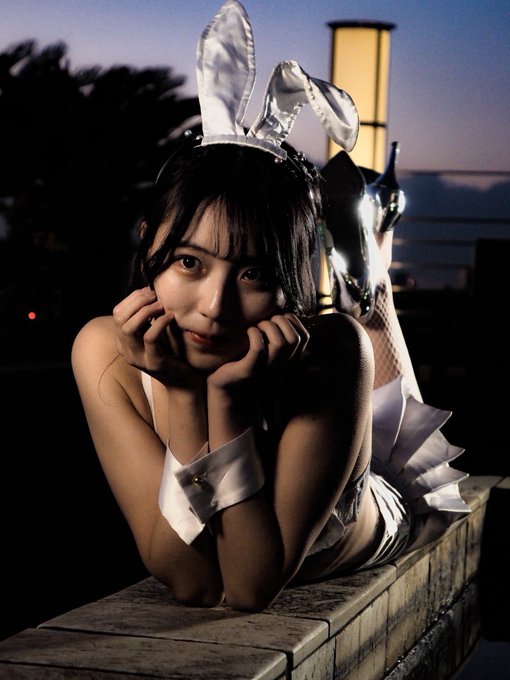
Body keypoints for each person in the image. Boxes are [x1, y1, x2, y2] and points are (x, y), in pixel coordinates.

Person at [71, 0, 469, 612]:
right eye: (189, 262)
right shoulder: (103, 348)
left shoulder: (332, 350)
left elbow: (250, 585)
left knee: (365, 332)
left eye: (254, 272)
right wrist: (183, 392)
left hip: (382, 515)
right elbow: (192, 580)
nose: (215, 306)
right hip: (298, 457)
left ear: (293, 280)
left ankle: (368, 271)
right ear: (149, 243)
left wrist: (225, 399)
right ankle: (359, 257)